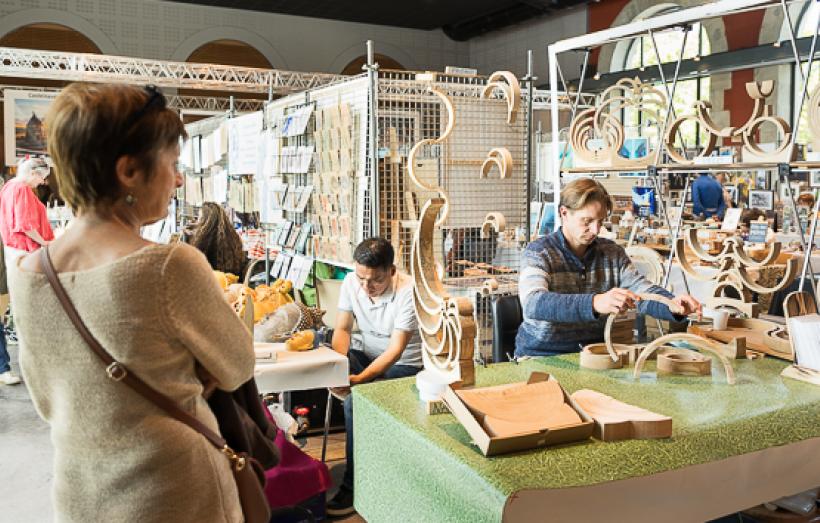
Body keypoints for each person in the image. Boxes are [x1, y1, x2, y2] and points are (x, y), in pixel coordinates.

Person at [8, 83, 254, 522]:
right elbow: (238, 365)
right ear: (128, 171)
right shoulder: (168, 265)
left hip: (81, 492)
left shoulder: (30, 274)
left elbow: (48, 399)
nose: (178, 179)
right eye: (172, 164)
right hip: (175, 490)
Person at [516, 178, 701, 357]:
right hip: (541, 356)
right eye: (587, 221)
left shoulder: (612, 253)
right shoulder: (539, 252)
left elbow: (642, 291)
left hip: (597, 354)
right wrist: (596, 303)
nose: (596, 230)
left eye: (600, 221)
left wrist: (672, 305)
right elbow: (533, 303)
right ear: (564, 213)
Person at [328, 237, 422, 516]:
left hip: (405, 366)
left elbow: (395, 350)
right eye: (361, 278)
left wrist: (358, 380)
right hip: (366, 355)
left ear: (391, 271)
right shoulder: (350, 283)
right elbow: (342, 330)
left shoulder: (408, 291)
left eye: (376, 281)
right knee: (323, 354)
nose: (367, 288)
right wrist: (338, 365)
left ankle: (352, 486)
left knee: (354, 402)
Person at [0, 156, 55, 267]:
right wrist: (44, 242)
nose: (43, 181)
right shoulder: (22, 189)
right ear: (33, 173)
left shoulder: (8, 185)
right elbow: (26, 226)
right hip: (24, 250)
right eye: (42, 177)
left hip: (11, 247)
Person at [187, 201, 247, 277]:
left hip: (209, 282)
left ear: (205, 220)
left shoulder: (203, 240)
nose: (197, 222)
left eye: (199, 218)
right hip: (232, 281)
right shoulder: (233, 237)